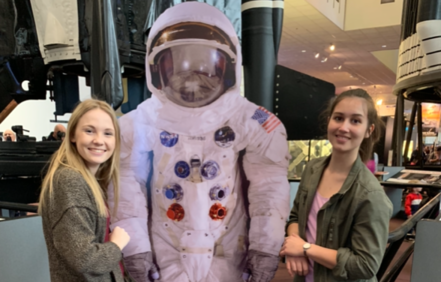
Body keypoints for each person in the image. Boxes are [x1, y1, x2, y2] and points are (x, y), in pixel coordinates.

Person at [108, 2, 291, 282]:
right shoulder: (141, 122)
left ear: (227, 67)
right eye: (179, 63)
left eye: (205, 65)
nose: (191, 76)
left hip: (228, 253)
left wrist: (264, 250)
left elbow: (268, 191)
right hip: (164, 254)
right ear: (157, 68)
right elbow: (127, 194)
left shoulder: (249, 120)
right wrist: (136, 251)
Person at [280, 89, 393, 282]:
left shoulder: (370, 194)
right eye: (338, 118)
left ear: (369, 130)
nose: (344, 127)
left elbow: (365, 265)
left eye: (355, 121)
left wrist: (306, 249)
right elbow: (296, 217)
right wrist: (295, 246)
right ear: (329, 121)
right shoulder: (313, 168)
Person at [38, 99, 131, 282]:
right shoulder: (69, 181)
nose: (99, 140)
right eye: (89, 131)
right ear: (72, 135)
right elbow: (84, 259)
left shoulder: (91, 181)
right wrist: (116, 245)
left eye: (107, 133)